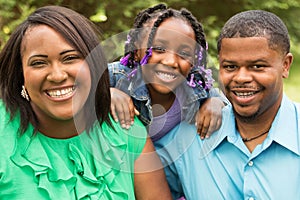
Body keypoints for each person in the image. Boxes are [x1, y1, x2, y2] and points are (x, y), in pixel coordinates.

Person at [0, 5, 172, 199]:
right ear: (20, 75)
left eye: (70, 58)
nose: (57, 76)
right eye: (38, 63)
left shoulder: (124, 126)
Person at [156, 9, 300, 199]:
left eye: (257, 66)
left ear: (285, 65)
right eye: (230, 67)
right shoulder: (185, 140)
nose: (241, 78)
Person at [109, 3, 227, 143]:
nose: (171, 62)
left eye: (184, 53)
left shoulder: (196, 87)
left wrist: (216, 103)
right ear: (136, 52)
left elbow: (224, 102)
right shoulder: (117, 76)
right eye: (159, 48)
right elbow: (82, 86)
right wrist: (106, 93)